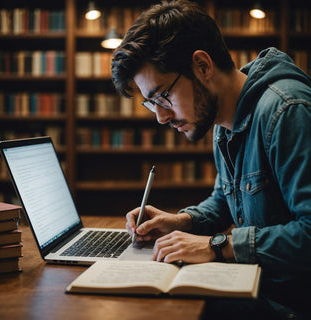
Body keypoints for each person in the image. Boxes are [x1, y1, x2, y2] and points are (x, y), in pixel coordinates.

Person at [111, 1, 311, 319]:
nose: (161, 117)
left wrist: (216, 245)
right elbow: (225, 201)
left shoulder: (288, 112)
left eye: (163, 96)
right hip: (258, 285)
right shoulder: (223, 122)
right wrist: (181, 222)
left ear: (203, 66)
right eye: (151, 103)